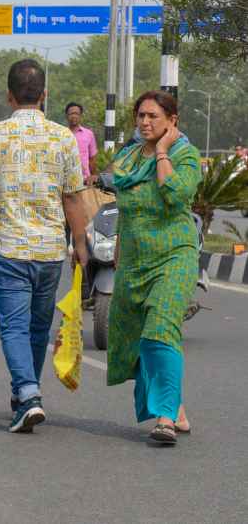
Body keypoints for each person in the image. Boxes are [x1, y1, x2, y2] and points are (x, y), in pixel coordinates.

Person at [0, 59, 87, 433]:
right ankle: (25, 395)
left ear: (8, 94)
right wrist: (79, 244)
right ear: (45, 95)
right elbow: (73, 198)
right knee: (37, 326)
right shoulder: (63, 137)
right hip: (51, 250)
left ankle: (28, 394)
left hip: (12, 248)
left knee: (13, 327)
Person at [107, 90, 201, 445]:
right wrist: (118, 249)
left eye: (153, 117)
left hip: (174, 254)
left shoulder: (185, 154)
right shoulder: (128, 157)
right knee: (138, 339)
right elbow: (125, 208)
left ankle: (164, 419)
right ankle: (174, 405)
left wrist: (162, 152)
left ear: (171, 121)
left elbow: (176, 194)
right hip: (134, 257)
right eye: (140, 116)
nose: (145, 122)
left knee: (160, 330)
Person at [65, 102, 99, 185]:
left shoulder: (89, 134)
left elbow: (92, 159)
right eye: (71, 114)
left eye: (76, 113)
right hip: (65, 179)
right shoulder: (61, 134)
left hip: (85, 180)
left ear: (80, 116)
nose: (74, 116)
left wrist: (93, 176)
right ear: (66, 116)